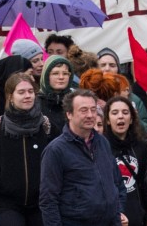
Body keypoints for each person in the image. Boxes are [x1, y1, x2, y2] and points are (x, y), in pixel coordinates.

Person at [0, 72, 52, 226]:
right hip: (7, 203)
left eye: (31, 91)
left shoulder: (46, 126)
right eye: (21, 92)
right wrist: (1, 180)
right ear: (10, 96)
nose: (27, 96)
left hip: (41, 202)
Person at [38, 89, 125, 226]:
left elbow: (116, 183)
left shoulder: (103, 142)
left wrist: (118, 213)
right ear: (69, 114)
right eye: (83, 110)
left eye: (93, 109)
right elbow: (48, 200)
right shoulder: (56, 150)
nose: (90, 115)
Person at [103, 96, 147, 226]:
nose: (120, 116)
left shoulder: (141, 147)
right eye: (115, 113)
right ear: (107, 120)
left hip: (137, 217)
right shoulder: (101, 148)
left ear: (131, 119)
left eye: (125, 113)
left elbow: (145, 185)